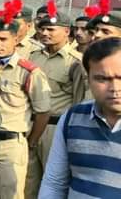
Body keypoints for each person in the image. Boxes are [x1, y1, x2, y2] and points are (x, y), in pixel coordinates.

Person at [0, 10, 51, 199]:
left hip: (11, 144)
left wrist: (30, 141)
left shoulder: (29, 72)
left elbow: (42, 112)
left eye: (3, 39)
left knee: (11, 194)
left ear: (16, 40)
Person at [39, 37, 121, 198]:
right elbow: (55, 182)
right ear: (88, 79)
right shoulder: (72, 118)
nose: (115, 88)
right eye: (102, 79)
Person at [26, 3, 88, 199]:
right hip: (30, 124)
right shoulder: (33, 56)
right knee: (28, 181)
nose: (45, 33)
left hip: (55, 128)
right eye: (42, 28)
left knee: (54, 180)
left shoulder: (76, 62)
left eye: (51, 29)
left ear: (66, 31)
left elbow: (79, 100)